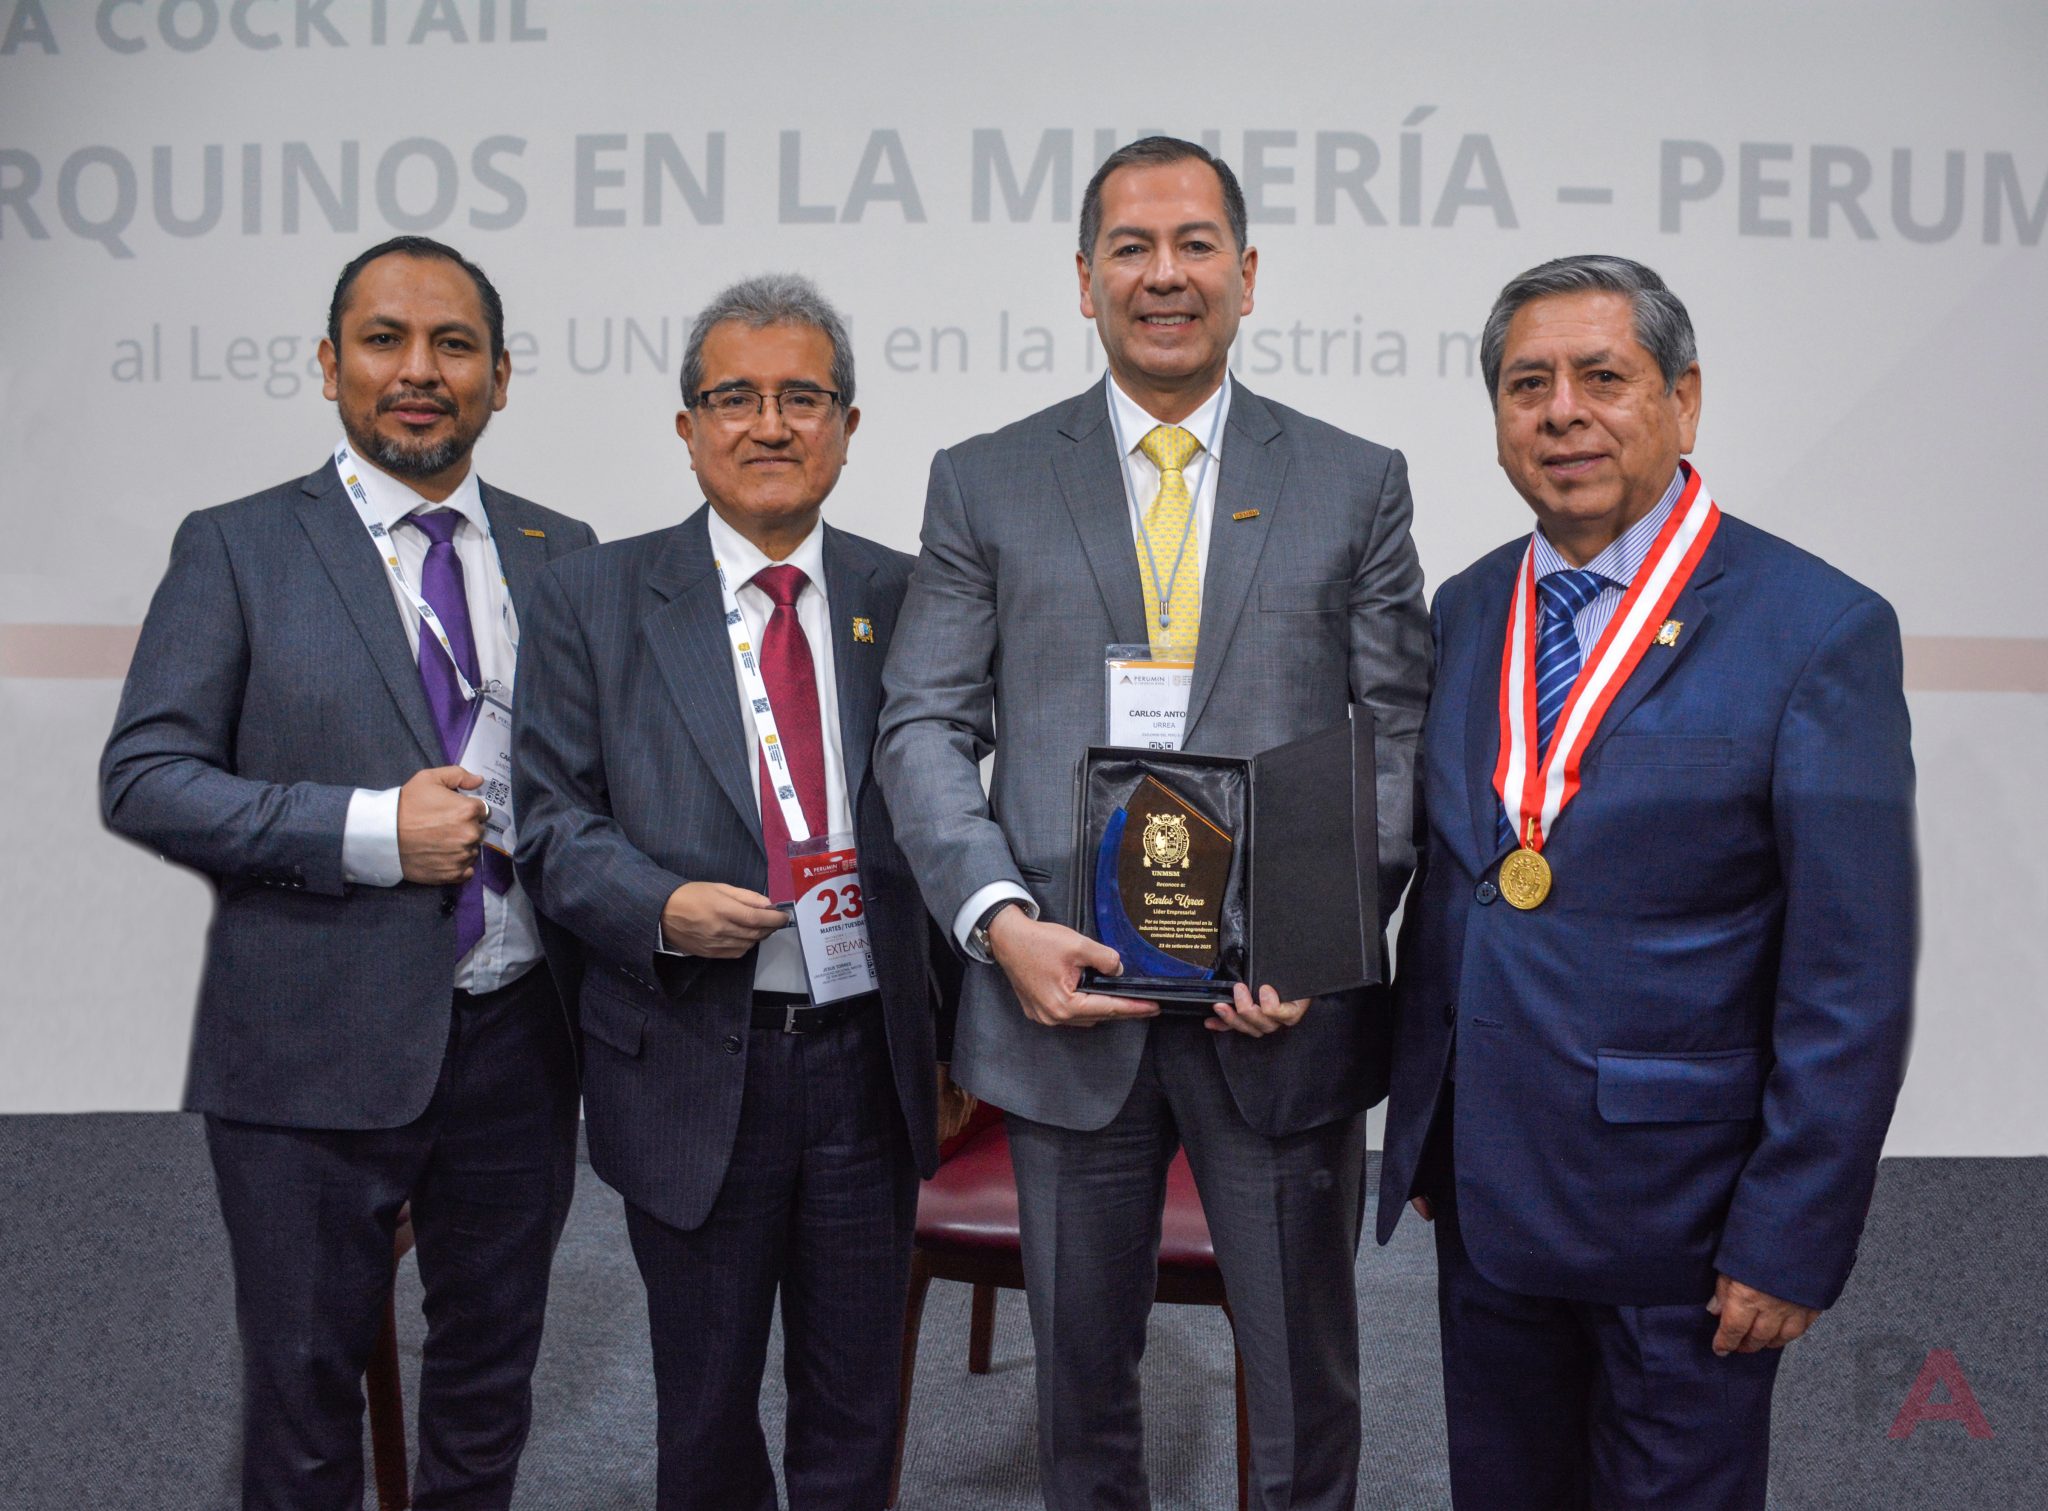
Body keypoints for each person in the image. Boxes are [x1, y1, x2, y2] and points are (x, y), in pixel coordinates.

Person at [875, 136, 1430, 1510]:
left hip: (1278, 1011)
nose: (1163, 274)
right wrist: (999, 924)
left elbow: (1394, 733)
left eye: (1194, 245)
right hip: (1061, 1002)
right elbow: (922, 726)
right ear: (1084, 279)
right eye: (1131, 247)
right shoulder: (985, 479)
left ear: (1246, 273)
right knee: (1079, 1390)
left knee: (1304, 1382)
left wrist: (1314, 938)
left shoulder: (1353, 479)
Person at [1376, 254, 1916, 1508]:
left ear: (1682, 398)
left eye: (1600, 377)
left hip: (1684, 1221)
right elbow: (1460, 883)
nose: (1561, 411)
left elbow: (1851, 975)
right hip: (1489, 1190)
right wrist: (1426, 1120)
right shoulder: (1467, 605)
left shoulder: (1815, 628)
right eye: (1526, 384)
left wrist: (1786, 1235)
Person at [100, 236, 591, 1510]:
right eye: (384, 340)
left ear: (499, 376)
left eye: (453, 344)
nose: (418, 370)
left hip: (519, 1039)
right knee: (306, 1399)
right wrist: (370, 829)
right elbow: (145, 775)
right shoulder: (238, 546)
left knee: (489, 1384)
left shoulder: (562, 550)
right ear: (330, 365)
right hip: (306, 1041)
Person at [512, 273, 963, 1511]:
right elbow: (549, 820)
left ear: (847, 425)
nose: (769, 424)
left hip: (867, 1057)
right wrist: (659, 908)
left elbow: (958, 810)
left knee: (857, 1399)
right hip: (690, 1052)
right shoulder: (592, 597)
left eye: (801, 397)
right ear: (687, 425)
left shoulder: (908, 596)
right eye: (735, 398)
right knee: (704, 1406)